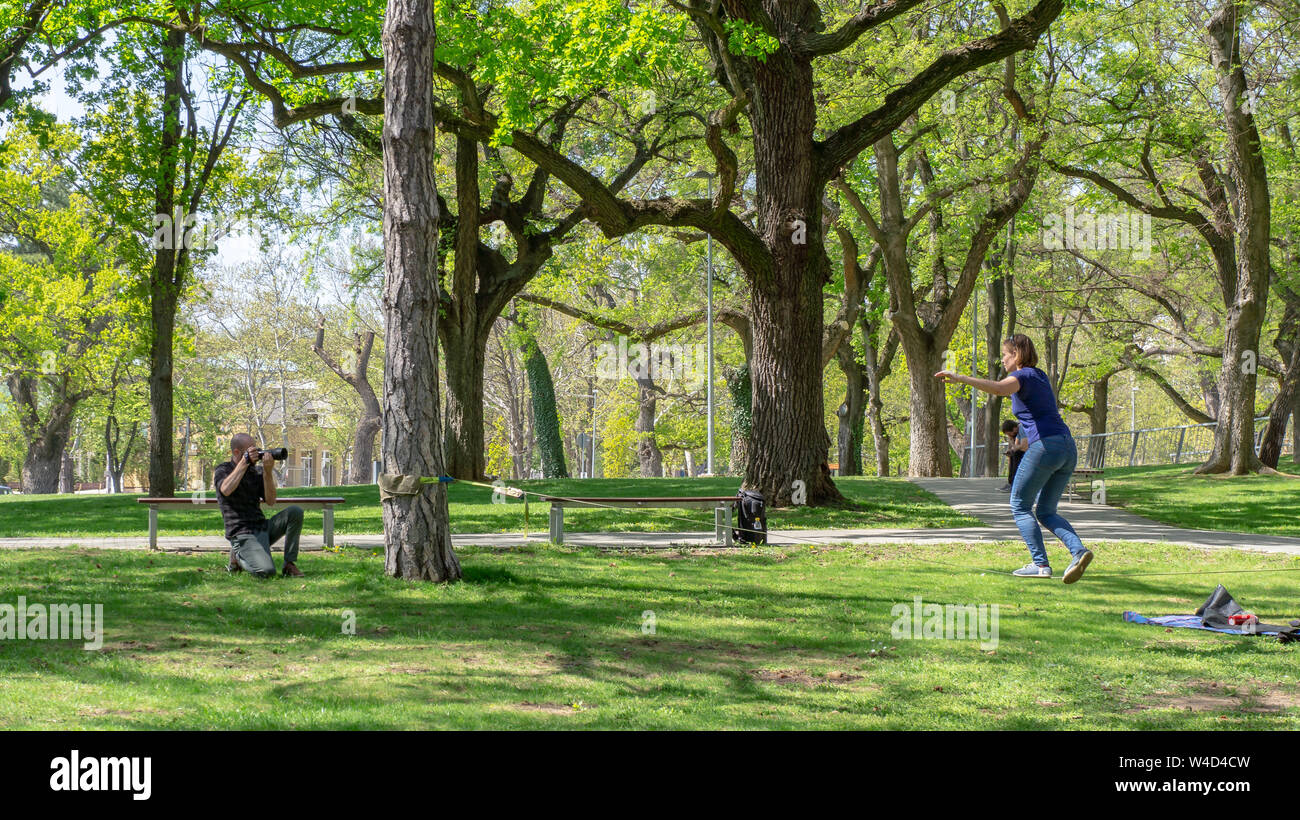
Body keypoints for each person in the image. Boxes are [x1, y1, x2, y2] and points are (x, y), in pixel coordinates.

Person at [935, 334, 1094, 583]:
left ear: (1017, 355)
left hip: (1047, 447)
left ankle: (1040, 564)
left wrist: (960, 377)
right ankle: (1078, 552)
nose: (1003, 361)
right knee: (1045, 511)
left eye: (1006, 355)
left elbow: (999, 389)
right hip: (1066, 447)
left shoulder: (1023, 376)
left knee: (1019, 505)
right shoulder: (1040, 376)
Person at [213, 433, 304, 578]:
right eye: (252, 451)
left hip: (262, 528)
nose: (257, 453)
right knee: (266, 572)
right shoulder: (223, 470)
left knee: (295, 512)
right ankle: (237, 556)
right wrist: (244, 462)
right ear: (237, 452)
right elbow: (226, 489)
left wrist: (267, 472)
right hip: (242, 533)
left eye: (257, 450)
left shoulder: (257, 471)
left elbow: (271, 500)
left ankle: (289, 564)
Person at [999, 419, 1028, 492]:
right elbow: (1016, 446)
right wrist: (1011, 444)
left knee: (1016, 454)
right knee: (1013, 453)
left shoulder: (1022, 428)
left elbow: (1024, 446)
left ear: (1014, 428)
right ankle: (1011, 483)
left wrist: (1015, 448)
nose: (1009, 435)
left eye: (1009, 434)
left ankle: (1014, 484)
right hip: (1026, 450)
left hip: (1032, 450)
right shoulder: (1017, 432)